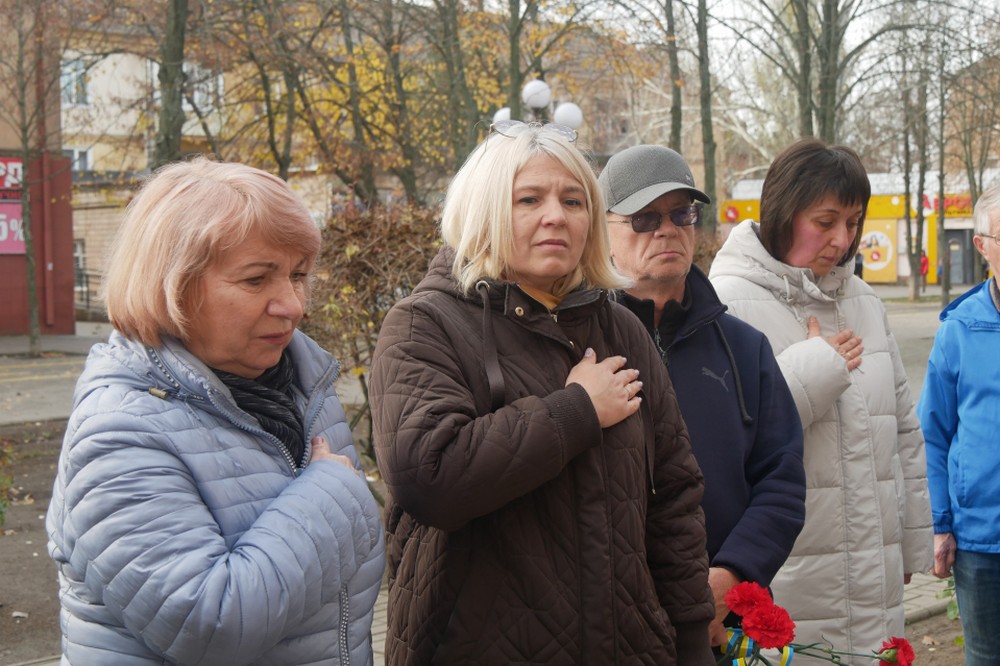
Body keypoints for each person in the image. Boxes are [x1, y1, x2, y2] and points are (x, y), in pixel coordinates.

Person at [369, 121, 716, 665]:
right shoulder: (423, 325)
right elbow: (427, 478)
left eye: (574, 200)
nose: (556, 215)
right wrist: (575, 410)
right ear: (484, 210)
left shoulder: (620, 330)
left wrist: (692, 637)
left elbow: (675, 494)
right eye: (529, 198)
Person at [45, 159, 386, 665]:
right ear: (172, 284)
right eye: (256, 280)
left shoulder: (299, 386)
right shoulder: (119, 432)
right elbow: (210, 625)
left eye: (298, 276)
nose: (292, 304)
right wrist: (330, 492)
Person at [708, 138, 933, 662]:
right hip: (789, 571)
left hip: (874, 571)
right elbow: (722, 436)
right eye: (825, 221)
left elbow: (902, 427)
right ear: (783, 212)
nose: (842, 239)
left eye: (853, 222)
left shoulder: (864, 301)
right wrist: (816, 368)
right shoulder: (726, 301)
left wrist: (912, 539)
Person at [597, 144, 806, 647]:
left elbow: (782, 480)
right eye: (644, 218)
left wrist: (731, 577)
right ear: (602, 232)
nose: (667, 229)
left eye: (681, 212)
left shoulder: (744, 347)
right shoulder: (577, 347)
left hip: (718, 623)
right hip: (603, 621)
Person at [918, 182, 1000, 666]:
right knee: (986, 656)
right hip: (981, 539)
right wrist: (940, 524)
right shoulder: (959, 330)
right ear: (983, 245)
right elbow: (933, 433)